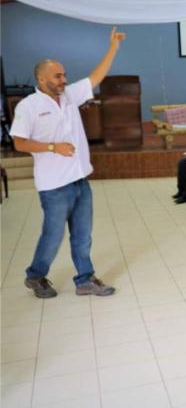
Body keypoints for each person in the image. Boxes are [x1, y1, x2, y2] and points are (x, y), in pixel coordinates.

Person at [11, 27, 126, 298]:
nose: (64, 79)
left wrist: (113, 47)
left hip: (79, 180)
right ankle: (35, 276)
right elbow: (19, 143)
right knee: (53, 237)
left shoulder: (70, 96)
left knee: (83, 235)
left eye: (64, 75)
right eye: (58, 76)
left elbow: (96, 77)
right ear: (41, 79)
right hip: (54, 186)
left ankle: (85, 280)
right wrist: (53, 147)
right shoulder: (28, 106)